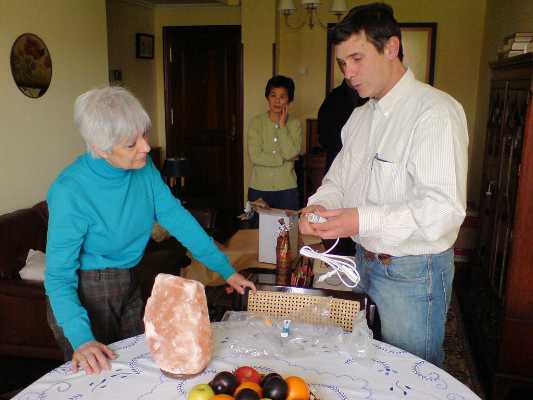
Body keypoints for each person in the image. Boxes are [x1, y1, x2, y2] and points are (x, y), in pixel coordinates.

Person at [299, 3, 468, 367]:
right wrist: (319, 205)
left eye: (357, 59)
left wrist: (359, 220)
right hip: (363, 262)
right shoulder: (359, 117)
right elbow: (338, 180)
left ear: (391, 47)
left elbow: (442, 211)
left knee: (413, 375)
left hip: (413, 272)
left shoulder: (435, 113)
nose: (349, 73)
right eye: (343, 63)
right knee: (369, 365)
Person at [45, 86, 256, 375]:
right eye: (132, 144)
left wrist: (227, 270)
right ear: (100, 149)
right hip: (86, 291)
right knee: (99, 381)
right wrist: (82, 339)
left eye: (143, 134)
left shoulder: (143, 169)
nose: (145, 147)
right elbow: (57, 277)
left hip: (130, 276)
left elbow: (179, 220)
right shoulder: (70, 190)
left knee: (137, 368)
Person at [247, 75, 302, 210]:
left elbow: (290, 153)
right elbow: (255, 156)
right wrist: (282, 159)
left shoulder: (295, 124)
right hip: (259, 188)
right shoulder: (256, 122)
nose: (277, 101)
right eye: (273, 95)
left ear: (289, 99)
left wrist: (282, 126)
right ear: (267, 97)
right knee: (257, 230)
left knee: (288, 230)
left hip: (287, 189)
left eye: (282, 96)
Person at [318, 79, 366, 173]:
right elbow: (323, 133)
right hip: (338, 154)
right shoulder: (333, 97)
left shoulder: (368, 95)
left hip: (363, 156)